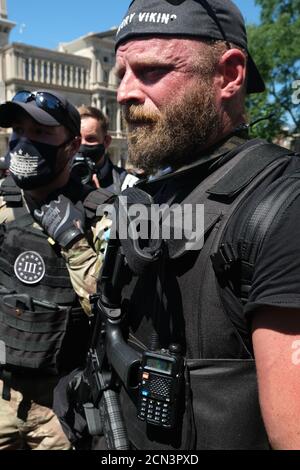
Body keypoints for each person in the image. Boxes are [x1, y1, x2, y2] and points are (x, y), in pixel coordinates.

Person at [61, 0, 300, 450]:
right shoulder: (155, 191)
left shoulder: (283, 208)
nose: (125, 94)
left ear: (229, 75)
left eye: (150, 71)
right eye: (122, 76)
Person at [0, 89, 111, 450]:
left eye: (41, 133)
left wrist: (75, 246)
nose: (23, 142)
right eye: (17, 130)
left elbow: (109, 312)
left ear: (73, 145)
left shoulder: (100, 216)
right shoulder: (3, 206)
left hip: (61, 408)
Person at [73, 105, 136, 192]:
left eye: (91, 138)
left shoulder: (128, 184)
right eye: (77, 139)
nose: (82, 144)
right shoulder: (57, 181)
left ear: (106, 141)